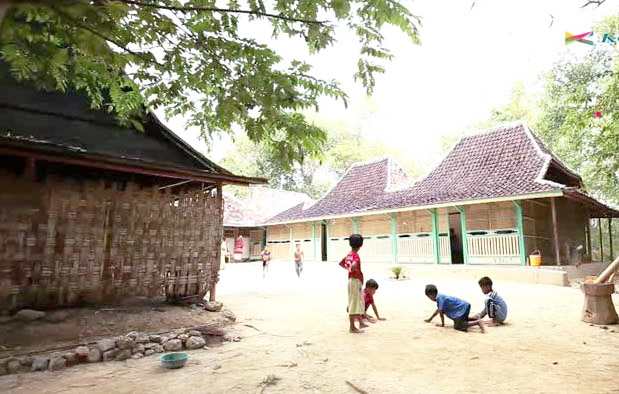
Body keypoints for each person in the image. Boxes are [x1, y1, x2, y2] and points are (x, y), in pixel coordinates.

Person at [339, 234, 367, 334]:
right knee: (354, 303)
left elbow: (341, 263)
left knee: (358, 301)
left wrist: (349, 269)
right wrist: (354, 270)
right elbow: (354, 264)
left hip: (351, 280)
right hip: (355, 280)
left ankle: (360, 322)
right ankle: (352, 327)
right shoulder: (355, 256)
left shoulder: (349, 255)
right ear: (361, 245)